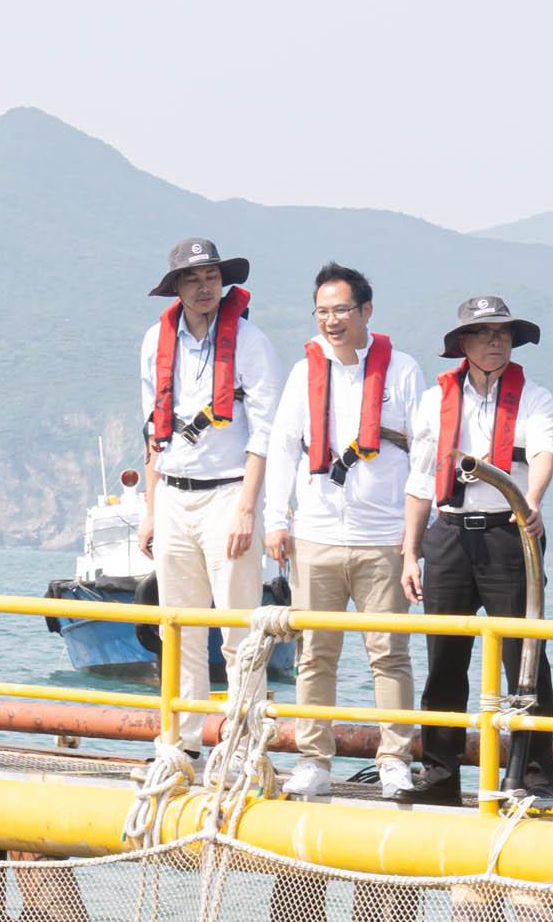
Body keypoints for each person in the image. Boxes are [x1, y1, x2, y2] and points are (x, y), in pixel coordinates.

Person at [263, 263, 425, 800]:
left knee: (390, 653)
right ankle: (313, 760)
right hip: (316, 533)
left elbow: (422, 456)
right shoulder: (301, 371)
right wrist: (276, 521)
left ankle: (395, 758)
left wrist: (412, 536)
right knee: (315, 652)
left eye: (342, 310)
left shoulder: (402, 371)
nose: (332, 321)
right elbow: (283, 447)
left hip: (382, 536)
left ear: (366, 311)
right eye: (323, 311)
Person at [403, 295, 553, 807]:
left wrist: (530, 500)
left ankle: (533, 776)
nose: (496, 341)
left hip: (509, 534)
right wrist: (410, 552)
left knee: (525, 657)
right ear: (463, 344)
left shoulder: (535, 397)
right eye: (485, 333)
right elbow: (421, 480)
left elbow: (542, 451)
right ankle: (439, 771)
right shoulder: (434, 400)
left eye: (503, 333)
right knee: (444, 657)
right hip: (448, 535)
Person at [137, 236, 281, 698]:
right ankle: (182, 744)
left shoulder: (251, 342)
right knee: (176, 630)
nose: (204, 287)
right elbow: (152, 431)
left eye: (212, 277)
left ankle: (243, 746)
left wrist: (246, 509)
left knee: (240, 633)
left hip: (229, 492)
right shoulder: (154, 342)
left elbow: (266, 432)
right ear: (176, 287)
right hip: (174, 496)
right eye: (193, 279)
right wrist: (150, 509)